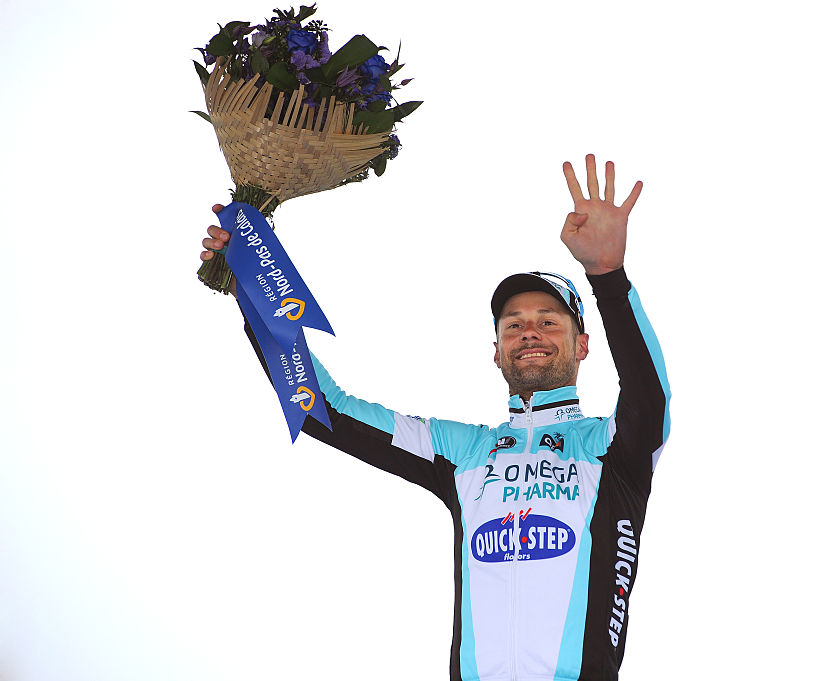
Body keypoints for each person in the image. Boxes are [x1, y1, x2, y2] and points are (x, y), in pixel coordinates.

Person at [201, 155, 671, 681]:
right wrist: (253, 288)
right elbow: (321, 409)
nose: (529, 332)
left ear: (582, 345)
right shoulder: (463, 451)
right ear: (496, 351)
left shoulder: (610, 447)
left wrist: (607, 276)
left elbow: (649, 399)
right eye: (513, 325)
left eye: (548, 321)